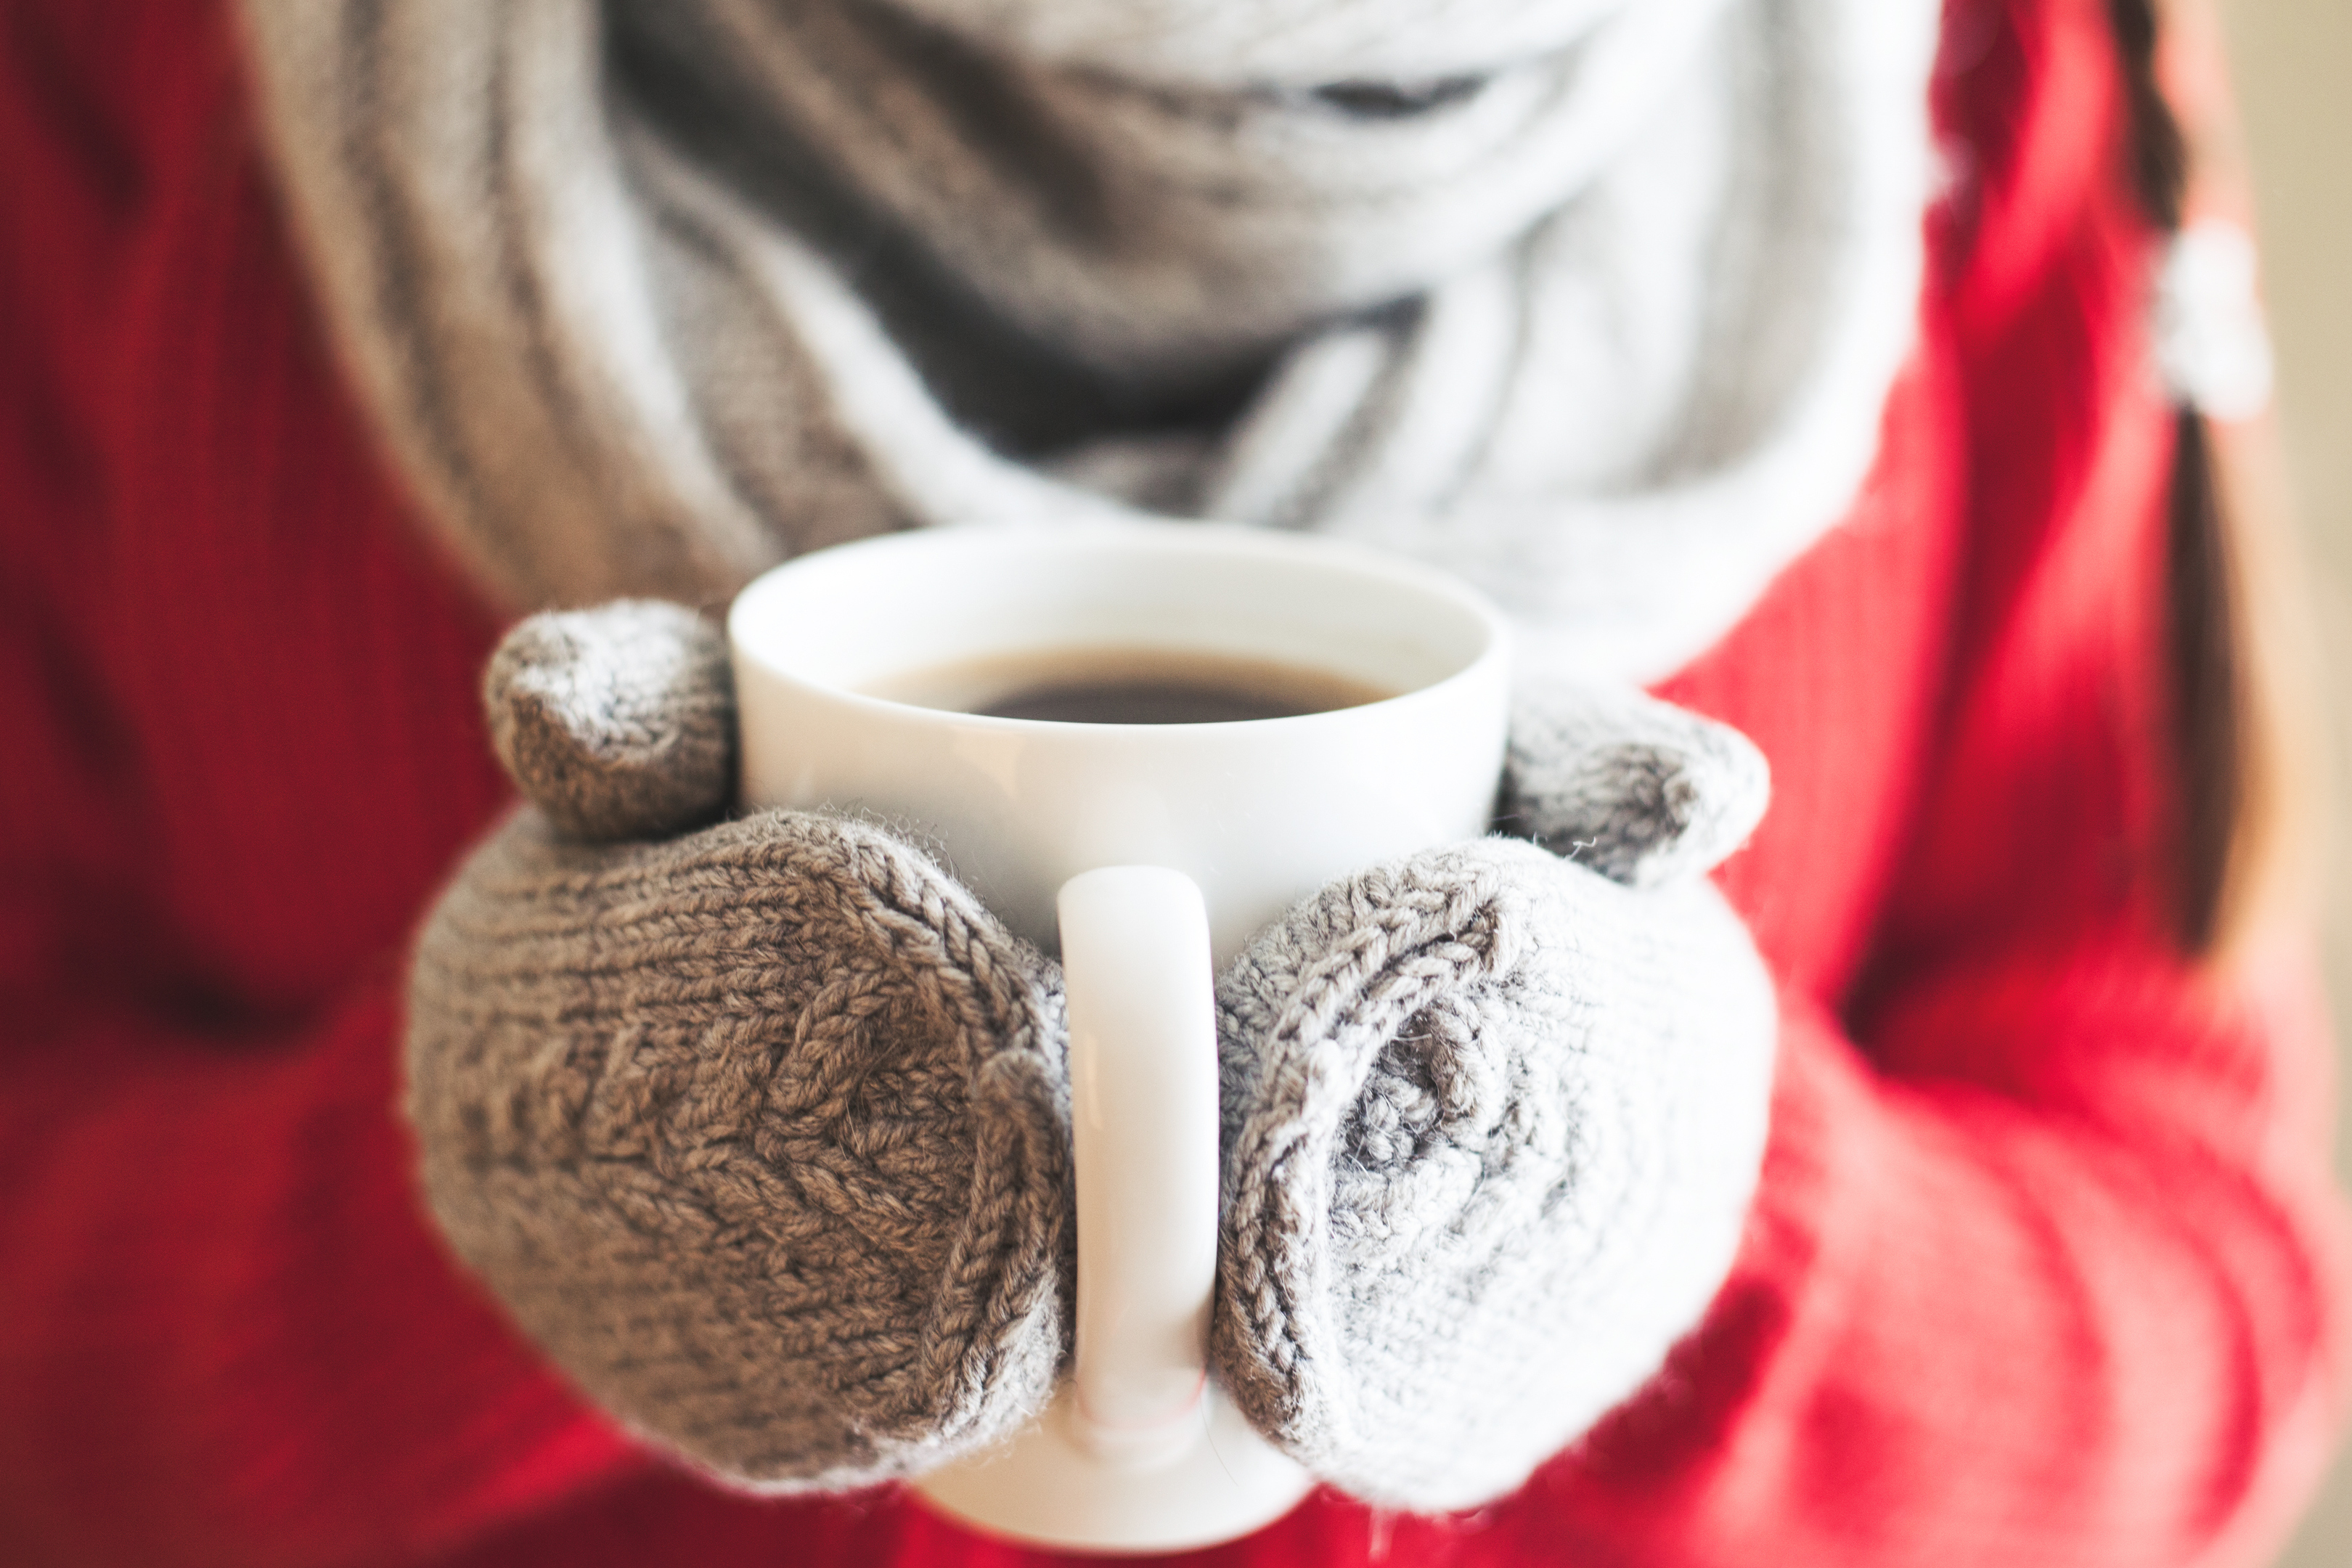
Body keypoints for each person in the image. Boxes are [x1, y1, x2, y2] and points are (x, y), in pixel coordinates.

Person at [1, 0, 2344, 1563]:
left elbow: (2226, 1305)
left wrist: (1680, 1210)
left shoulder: (1969, 63)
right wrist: (477, 1220)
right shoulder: (139, 68)